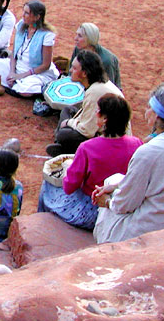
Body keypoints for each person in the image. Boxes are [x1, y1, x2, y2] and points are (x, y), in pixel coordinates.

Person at [92, 83, 164, 244]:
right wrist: (116, 186)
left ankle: (103, 247)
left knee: (111, 197)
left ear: (157, 115)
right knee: (114, 181)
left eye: (149, 107)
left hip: (155, 230)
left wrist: (107, 201)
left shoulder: (148, 152)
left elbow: (125, 204)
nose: (146, 111)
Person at [38, 94, 142, 230]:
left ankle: (41, 225)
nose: (95, 113)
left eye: (98, 111)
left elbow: (69, 186)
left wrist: (68, 169)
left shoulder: (87, 148)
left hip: (91, 211)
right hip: (121, 204)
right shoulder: (137, 144)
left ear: (105, 119)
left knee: (47, 185)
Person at [45, 50, 127, 157]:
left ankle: (65, 147)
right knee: (67, 110)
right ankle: (61, 145)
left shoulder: (95, 91)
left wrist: (69, 122)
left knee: (64, 134)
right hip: (101, 129)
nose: (70, 70)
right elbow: (84, 115)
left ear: (84, 73)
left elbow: (87, 131)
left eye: (74, 68)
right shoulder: (97, 84)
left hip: (109, 139)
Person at [0, 0, 59, 97]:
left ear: (37, 17)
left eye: (27, 13)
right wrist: (12, 72)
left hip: (35, 72)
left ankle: (22, 84)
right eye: (23, 12)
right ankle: (15, 82)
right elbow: (14, 54)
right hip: (17, 66)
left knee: (25, 91)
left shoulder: (47, 35)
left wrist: (20, 76)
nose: (23, 15)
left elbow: (45, 65)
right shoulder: (21, 25)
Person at [70, 23, 121, 88]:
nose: (75, 38)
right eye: (76, 34)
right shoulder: (78, 49)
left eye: (80, 36)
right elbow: (71, 73)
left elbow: (109, 87)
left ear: (90, 38)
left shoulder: (107, 61)